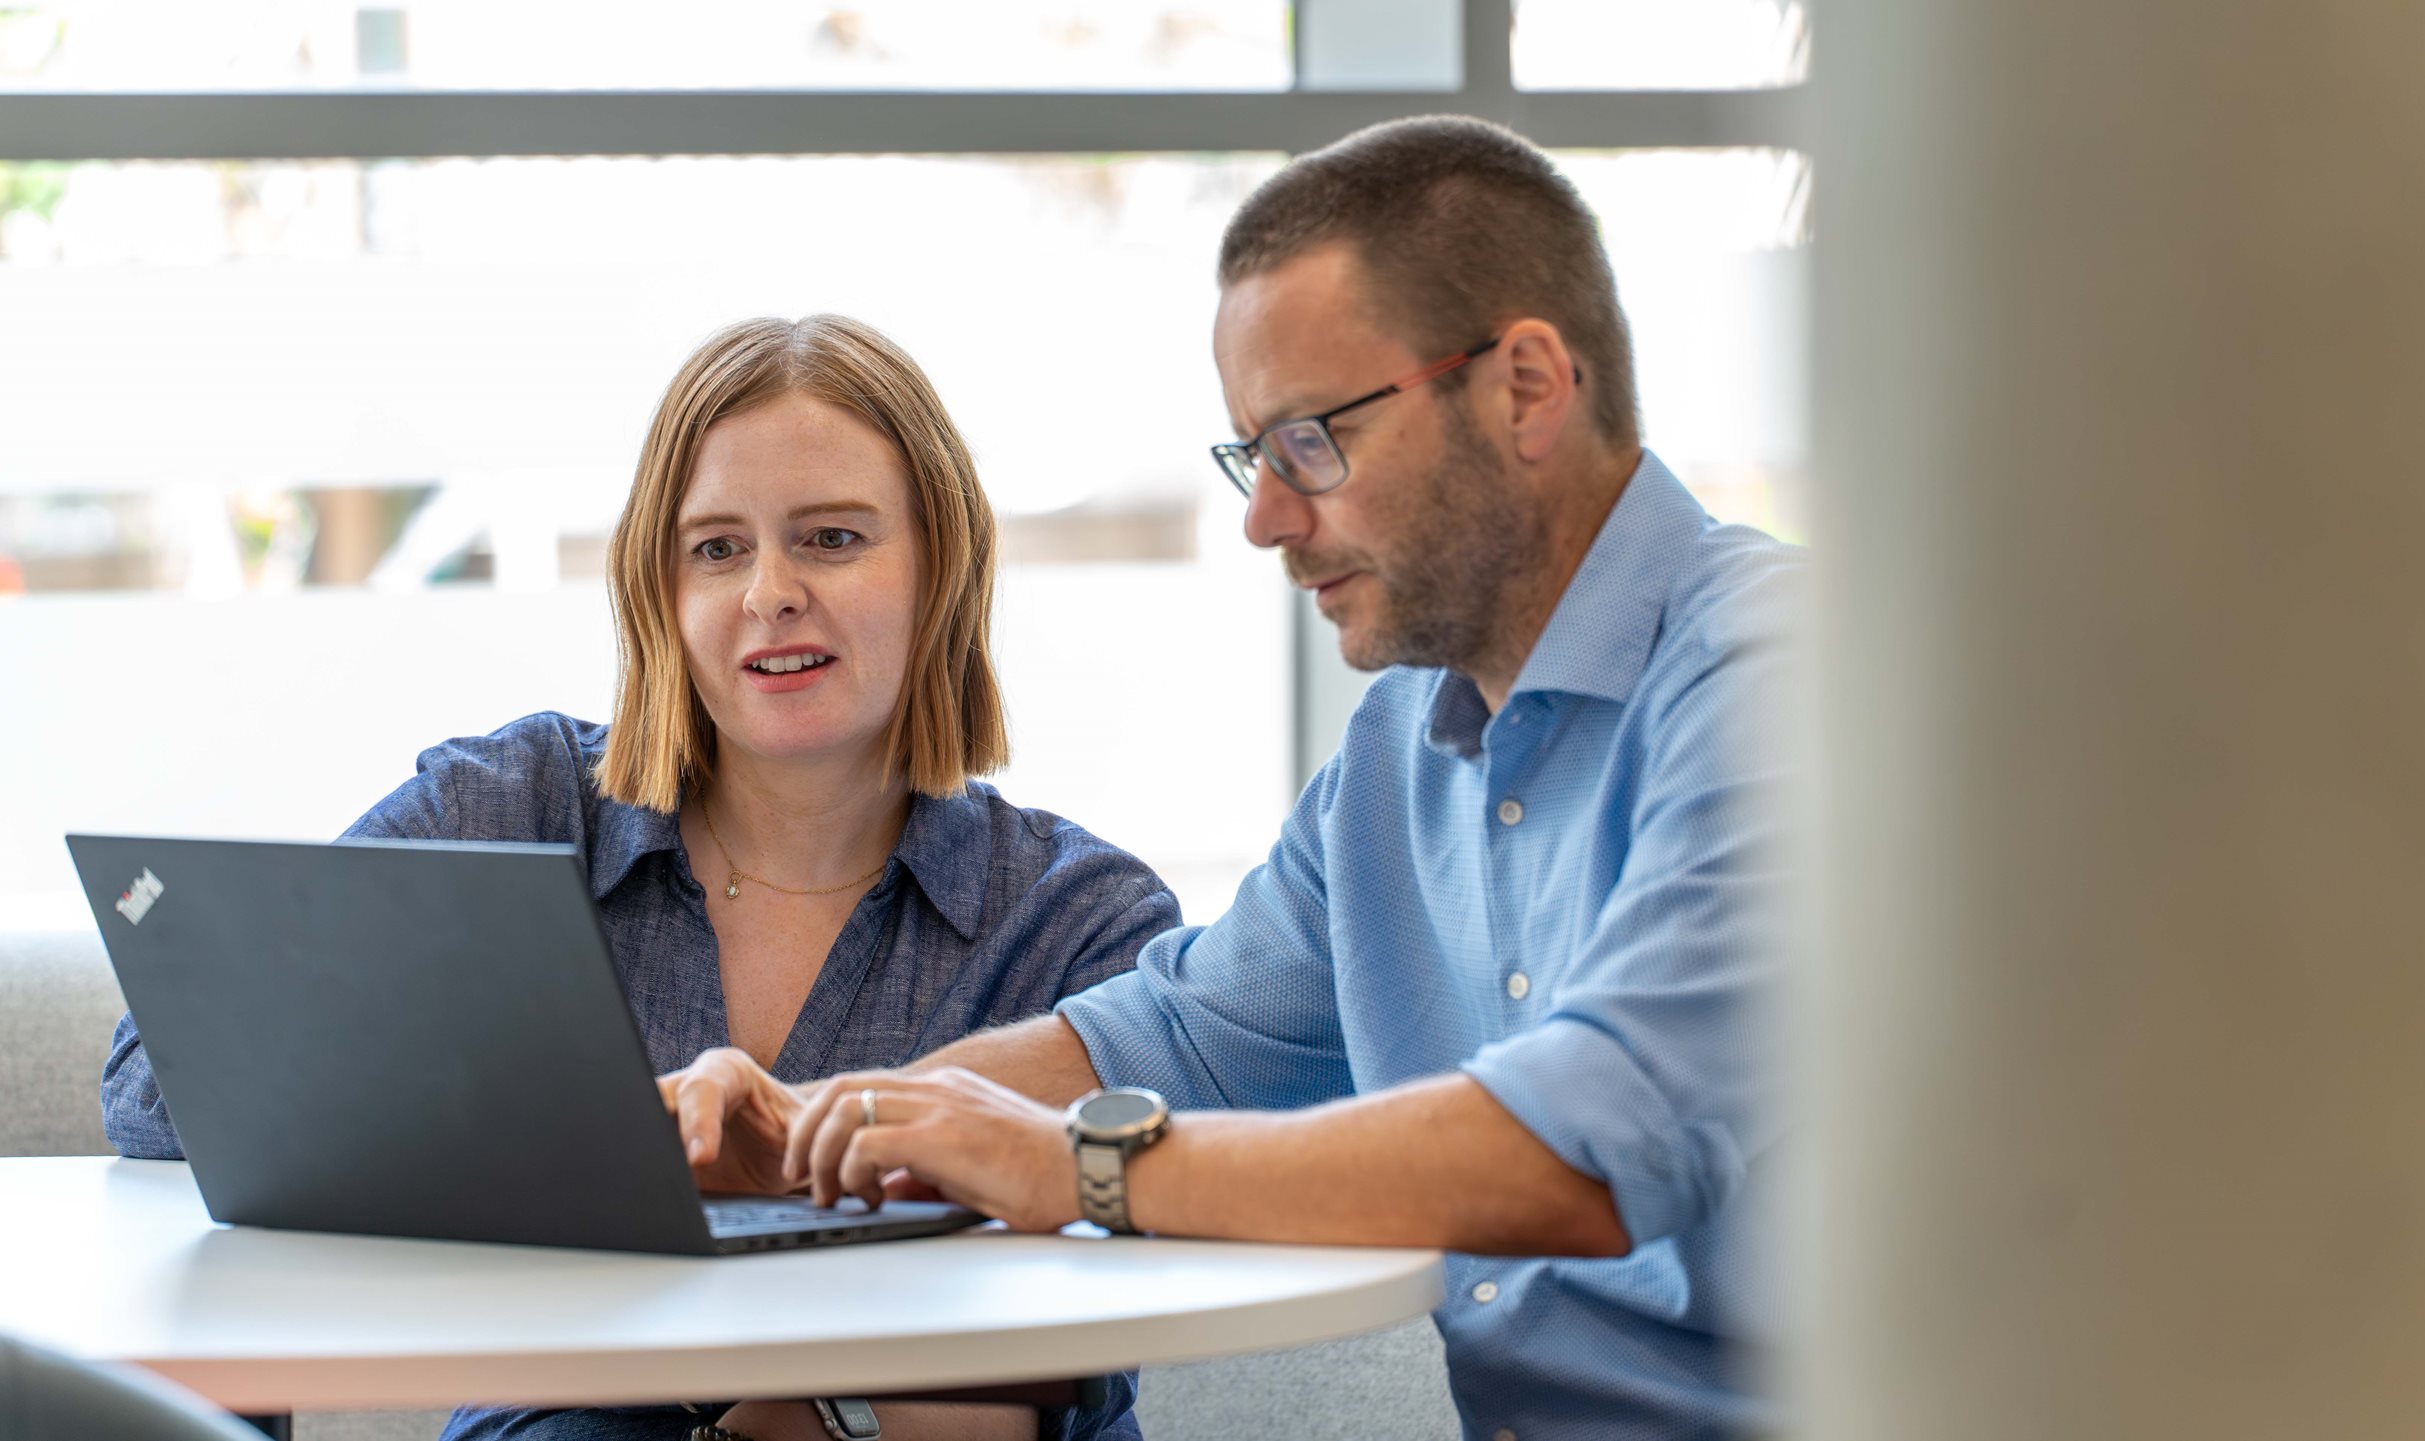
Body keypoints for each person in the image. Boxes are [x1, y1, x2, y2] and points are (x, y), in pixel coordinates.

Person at [663, 115, 1806, 1440]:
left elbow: (1591, 1144)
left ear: (1529, 388)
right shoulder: (1398, 755)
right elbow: (1174, 1035)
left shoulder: (1778, 681)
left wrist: (1087, 1167)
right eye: (1250, 455)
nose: (1265, 516)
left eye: (1311, 440)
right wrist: (819, 1127)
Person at [99, 315, 1179, 1441]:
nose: (768, 591)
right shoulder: (517, 807)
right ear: (657, 590)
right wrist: (579, 1140)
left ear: (942, 567)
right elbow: (157, 1084)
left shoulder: (1079, 920)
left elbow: (1089, 1330)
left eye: (831, 538)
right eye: (716, 547)